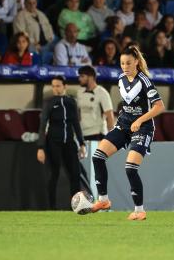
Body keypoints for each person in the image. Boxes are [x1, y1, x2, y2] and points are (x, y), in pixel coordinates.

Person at [90, 43, 165, 220]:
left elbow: (159, 106)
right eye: (122, 63)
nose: (125, 67)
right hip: (123, 125)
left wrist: (139, 120)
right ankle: (103, 200)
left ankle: (139, 210)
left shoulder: (145, 80)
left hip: (143, 127)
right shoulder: (121, 79)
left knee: (130, 168)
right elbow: (128, 104)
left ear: (137, 62)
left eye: (129, 63)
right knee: (97, 157)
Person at [36, 75, 86, 209]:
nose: (55, 89)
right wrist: (40, 147)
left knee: (75, 174)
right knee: (53, 175)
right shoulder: (49, 102)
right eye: (53, 86)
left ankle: (76, 207)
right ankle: (51, 208)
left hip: (69, 142)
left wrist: (82, 144)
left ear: (65, 86)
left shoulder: (71, 102)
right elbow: (43, 125)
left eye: (58, 86)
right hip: (53, 143)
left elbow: (76, 123)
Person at [77, 65, 115, 140]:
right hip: (83, 134)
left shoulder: (102, 93)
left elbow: (109, 116)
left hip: (97, 134)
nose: (79, 79)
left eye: (82, 76)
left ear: (90, 77)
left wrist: (111, 139)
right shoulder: (79, 92)